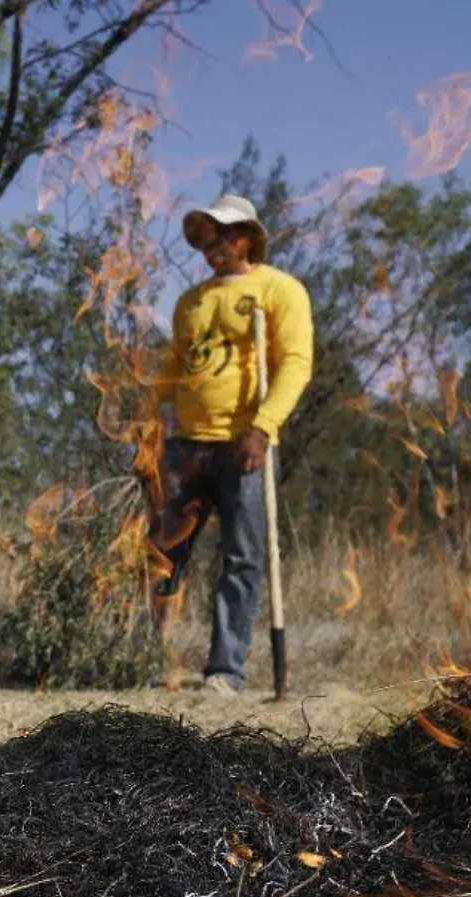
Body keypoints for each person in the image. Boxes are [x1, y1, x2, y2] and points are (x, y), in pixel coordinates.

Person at [147, 193, 313, 695]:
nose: (209, 247)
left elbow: (295, 363)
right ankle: (154, 662)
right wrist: (154, 421)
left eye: (218, 236)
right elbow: (175, 368)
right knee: (163, 552)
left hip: (244, 444)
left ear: (245, 236)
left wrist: (262, 427)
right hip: (186, 446)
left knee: (242, 558)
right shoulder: (191, 301)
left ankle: (224, 671)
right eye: (202, 238)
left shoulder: (280, 290)